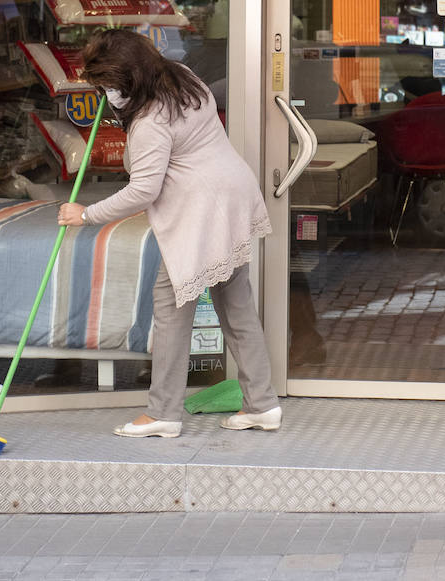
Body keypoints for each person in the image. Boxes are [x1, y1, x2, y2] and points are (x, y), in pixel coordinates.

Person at [58, 28, 280, 438]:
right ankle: (262, 404)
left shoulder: (148, 124)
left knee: (171, 309)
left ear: (127, 81)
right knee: (238, 307)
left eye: (107, 85)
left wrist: (85, 214)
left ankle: (162, 413)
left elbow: (143, 189)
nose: (105, 93)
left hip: (202, 212)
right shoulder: (181, 77)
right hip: (232, 196)